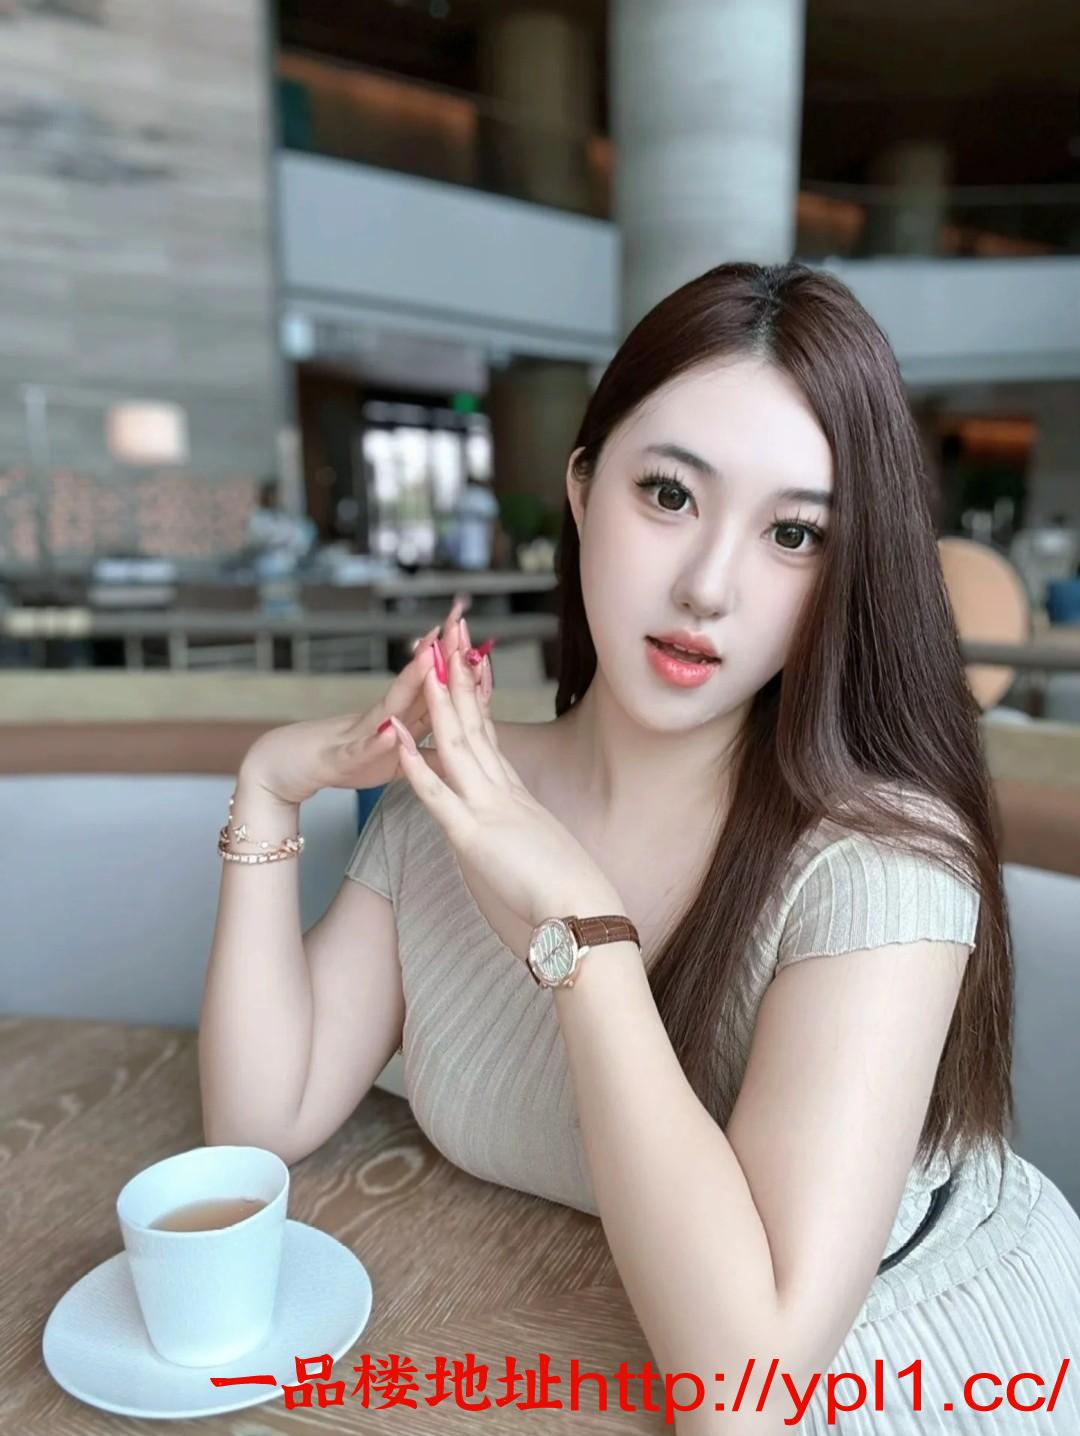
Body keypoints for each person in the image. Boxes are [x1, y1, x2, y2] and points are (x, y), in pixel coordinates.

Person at [199, 261, 1080, 1433]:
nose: (708, 585)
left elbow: (747, 1393)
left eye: (794, 533)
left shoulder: (882, 868)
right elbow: (260, 1122)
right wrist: (269, 785)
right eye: (669, 494)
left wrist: (582, 933)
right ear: (582, 488)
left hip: (905, 1361)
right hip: (557, 1340)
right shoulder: (460, 800)